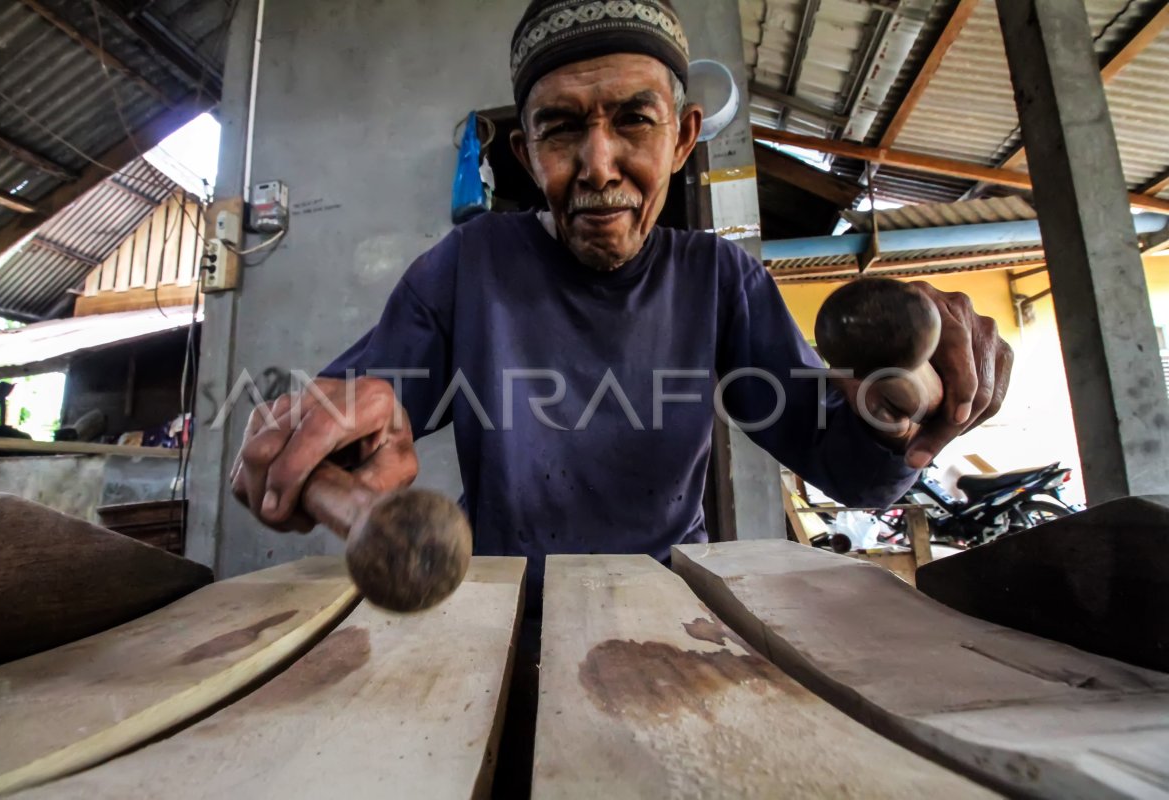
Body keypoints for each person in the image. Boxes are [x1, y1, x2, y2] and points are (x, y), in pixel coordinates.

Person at [231, 0, 1012, 597]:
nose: (598, 165)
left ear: (681, 137)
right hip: (501, 611)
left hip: (670, 605)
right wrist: (319, 446)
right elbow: (363, 409)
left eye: (634, 121)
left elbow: (851, 469)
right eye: (562, 129)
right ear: (526, 154)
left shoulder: (720, 279)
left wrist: (902, 414)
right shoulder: (471, 266)